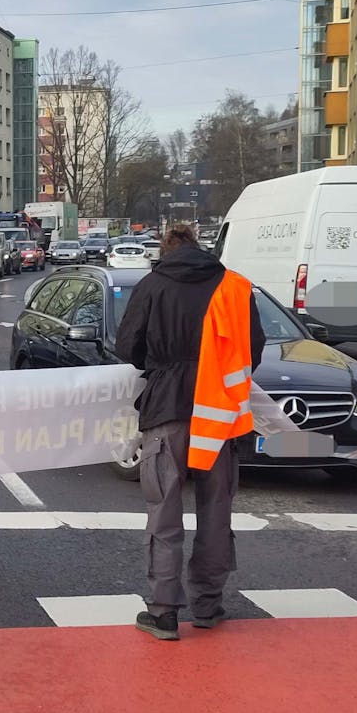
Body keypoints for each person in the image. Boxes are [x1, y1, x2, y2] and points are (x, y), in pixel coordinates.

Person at [114, 224, 264, 641]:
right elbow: (254, 348)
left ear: (166, 249)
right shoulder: (234, 286)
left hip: (167, 410)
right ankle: (208, 605)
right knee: (215, 508)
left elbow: (127, 347)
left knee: (164, 510)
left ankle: (163, 612)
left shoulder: (152, 285)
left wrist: (162, 364)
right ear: (200, 248)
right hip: (220, 414)